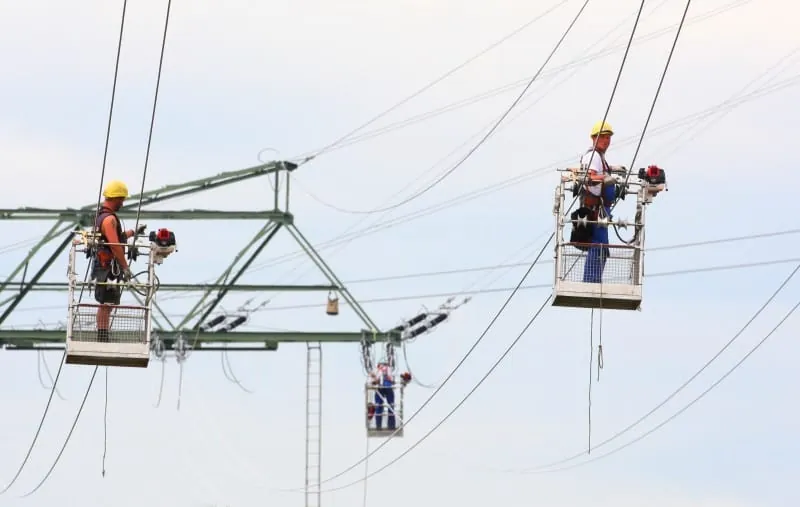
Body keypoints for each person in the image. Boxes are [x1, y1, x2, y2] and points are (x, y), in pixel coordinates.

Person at [93, 180, 145, 342]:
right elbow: (115, 245)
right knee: (106, 303)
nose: (122, 203)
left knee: (108, 303)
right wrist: (125, 266)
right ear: (116, 198)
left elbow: (116, 238)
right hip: (107, 267)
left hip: (107, 266)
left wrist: (132, 232)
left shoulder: (104, 217)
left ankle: (103, 335)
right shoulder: (109, 220)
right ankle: (102, 337)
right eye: (122, 199)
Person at [578, 121, 618, 284]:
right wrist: (606, 178)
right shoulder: (593, 156)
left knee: (602, 247)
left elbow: (597, 173)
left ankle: (594, 279)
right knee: (599, 246)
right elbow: (590, 177)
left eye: (608, 137)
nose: (606, 140)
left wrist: (612, 170)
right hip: (595, 209)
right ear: (594, 138)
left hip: (601, 209)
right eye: (602, 137)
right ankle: (591, 281)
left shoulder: (599, 157)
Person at [367, 362, 412, 432]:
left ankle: (381, 426)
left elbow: (373, 380)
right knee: (388, 407)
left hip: (382, 387)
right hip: (385, 387)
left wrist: (374, 380)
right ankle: (390, 426)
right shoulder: (386, 370)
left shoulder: (379, 370)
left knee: (381, 407)